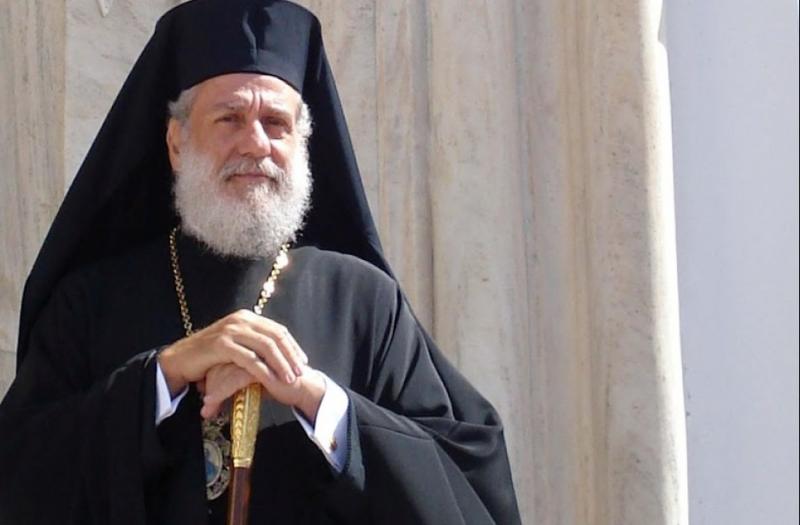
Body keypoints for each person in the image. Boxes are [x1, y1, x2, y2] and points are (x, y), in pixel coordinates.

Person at [0, 1, 521, 524]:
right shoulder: (92, 300)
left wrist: (320, 403)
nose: (255, 143)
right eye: (230, 118)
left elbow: (468, 482)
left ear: (303, 144)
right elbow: (19, 473)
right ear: (177, 143)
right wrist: (162, 378)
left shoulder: (364, 302)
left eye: (275, 123)